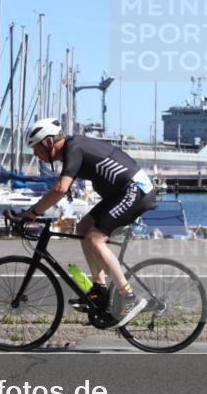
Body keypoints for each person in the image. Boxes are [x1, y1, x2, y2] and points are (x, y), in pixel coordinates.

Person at [18, 118, 156, 328]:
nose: (35, 155)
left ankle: (128, 296)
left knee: (95, 238)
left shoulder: (74, 148)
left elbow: (60, 188)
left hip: (135, 191)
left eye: (36, 148)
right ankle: (99, 290)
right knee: (83, 228)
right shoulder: (72, 150)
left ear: (48, 143)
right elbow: (62, 189)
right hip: (121, 193)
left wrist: (33, 213)